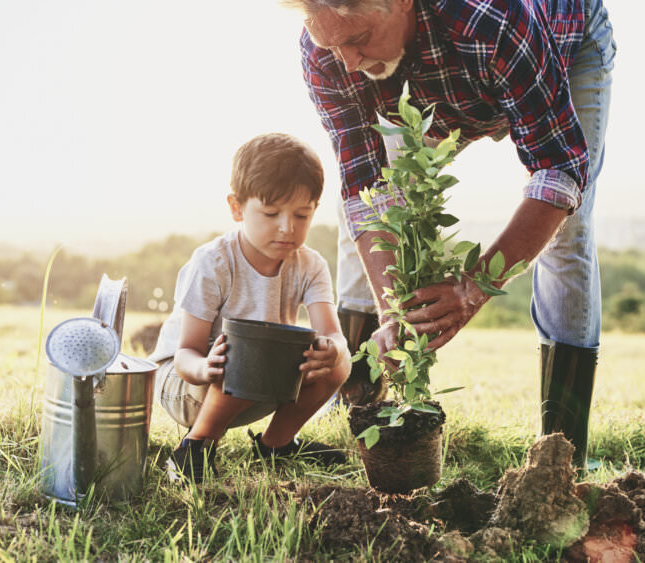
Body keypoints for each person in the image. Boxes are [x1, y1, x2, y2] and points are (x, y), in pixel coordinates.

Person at [284, 0, 615, 470]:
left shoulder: (491, 18)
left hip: (558, 46)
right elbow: (364, 189)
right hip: (430, 78)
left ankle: (560, 451)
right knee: (381, 203)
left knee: (568, 229)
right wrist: (395, 311)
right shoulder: (328, 49)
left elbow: (558, 172)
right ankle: (358, 400)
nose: (349, 63)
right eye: (332, 45)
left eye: (357, 40)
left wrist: (471, 290)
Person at [149, 133, 352, 483]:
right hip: (189, 384)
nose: (287, 228)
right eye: (271, 213)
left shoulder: (311, 265)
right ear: (236, 207)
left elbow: (334, 334)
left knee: (340, 358)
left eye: (302, 215)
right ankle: (194, 449)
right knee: (247, 348)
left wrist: (333, 350)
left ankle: (276, 445)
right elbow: (184, 354)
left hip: (258, 380)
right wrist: (205, 367)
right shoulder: (213, 262)